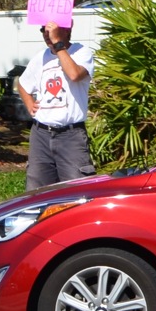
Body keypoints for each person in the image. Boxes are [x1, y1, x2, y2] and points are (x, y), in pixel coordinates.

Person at [19, 19, 96, 188]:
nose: (47, 35)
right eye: (43, 31)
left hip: (70, 135)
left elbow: (74, 74)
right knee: (36, 193)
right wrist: (29, 103)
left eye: (51, 30)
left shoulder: (81, 53)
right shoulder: (40, 58)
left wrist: (58, 44)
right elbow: (23, 84)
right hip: (41, 134)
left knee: (76, 192)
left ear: (67, 30)